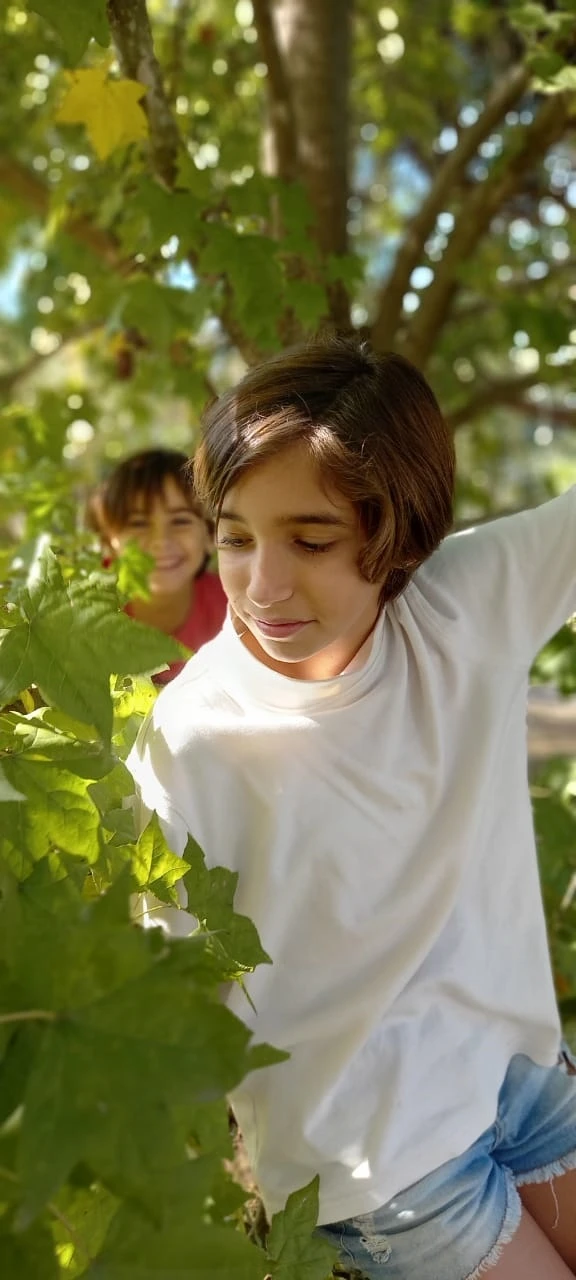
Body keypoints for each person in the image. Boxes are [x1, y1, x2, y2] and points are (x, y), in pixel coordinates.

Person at [127, 335, 576, 1279]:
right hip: (377, 1159)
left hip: (518, 1074)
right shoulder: (193, 737)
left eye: (312, 540)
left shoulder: (466, 608)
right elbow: (157, 990)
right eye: (237, 536)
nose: (262, 587)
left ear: (400, 534)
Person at [89, 448, 227, 684]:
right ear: (109, 540)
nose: (161, 540)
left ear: (209, 534)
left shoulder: (233, 612)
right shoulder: (81, 604)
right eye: (139, 523)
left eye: (180, 520)